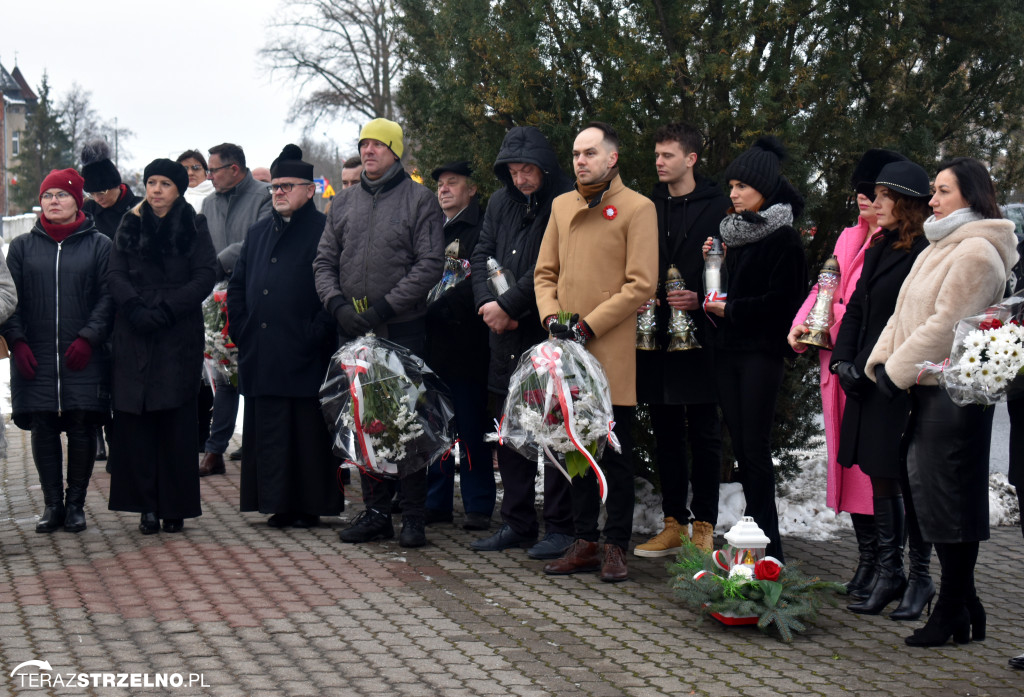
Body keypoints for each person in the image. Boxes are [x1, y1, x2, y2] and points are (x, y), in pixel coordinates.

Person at [866, 157, 1017, 646]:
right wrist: (881, 364)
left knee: (948, 506)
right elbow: (904, 315)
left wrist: (896, 370)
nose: (932, 200)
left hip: (955, 399)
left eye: (943, 191)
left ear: (970, 197)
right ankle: (964, 604)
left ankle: (954, 604)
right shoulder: (941, 246)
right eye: (934, 191)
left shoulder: (975, 252)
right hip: (925, 392)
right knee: (930, 501)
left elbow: (947, 326)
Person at [535, 122, 658, 582]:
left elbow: (641, 282)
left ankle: (616, 545)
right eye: (575, 153)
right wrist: (552, 318)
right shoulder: (561, 205)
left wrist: (589, 325)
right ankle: (585, 540)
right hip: (565, 349)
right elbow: (544, 273)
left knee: (614, 452)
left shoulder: (638, 208)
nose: (580, 160)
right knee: (575, 449)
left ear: (613, 158)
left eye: (590, 153)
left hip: (609, 348)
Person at [314, 117, 444, 548]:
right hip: (353, 331)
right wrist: (337, 306)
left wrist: (386, 307)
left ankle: (413, 517)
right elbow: (324, 262)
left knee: (406, 422)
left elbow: (429, 263)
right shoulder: (344, 203)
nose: (368, 151)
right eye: (364, 144)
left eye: (377, 145)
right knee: (363, 419)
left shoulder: (419, 199)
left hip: (401, 329)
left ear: (394, 151)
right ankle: (374, 513)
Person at [787, 149, 904, 597]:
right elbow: (825, 287)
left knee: (871, 470)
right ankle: (867, 558)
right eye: (858, 191)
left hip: (868, 367)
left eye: (872, 192)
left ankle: (884, 564)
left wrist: (829, 323)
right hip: (835, 365)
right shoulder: (848, 237)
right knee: (848, 460)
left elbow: (875, 311)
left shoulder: (896, 242)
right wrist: (801, 324)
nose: (862, 199)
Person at [828, 159, 933, 618]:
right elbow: (855, 309)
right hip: (864, 376)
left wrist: (881, 367)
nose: (877, 204)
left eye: (886, 197)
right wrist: (843, 360)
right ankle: (890, 571)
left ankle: (917, 575)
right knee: (877, 472)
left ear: (905, 204)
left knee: (900, 476)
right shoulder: (879, 246)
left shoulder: (922, 251)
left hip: (894, 378)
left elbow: (910, 321)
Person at [469, 126, 575, 560]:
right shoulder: (499, 202)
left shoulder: (563, 202)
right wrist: (486, 306)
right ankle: (516, 522)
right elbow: (480, 255)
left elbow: (553, 267)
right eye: (512, 171)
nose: (520, 179)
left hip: (542, 333)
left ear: (544, 167)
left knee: (553, 434)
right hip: (501, 335)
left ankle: (561, 527)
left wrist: (510, 306)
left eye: (526, 169)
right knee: (510, 434)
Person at [703, 136, 808, 563]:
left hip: (760, 355)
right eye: (730, 186)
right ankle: (752, 543)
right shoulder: (733, 235)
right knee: (742, 447)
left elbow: (783, 306)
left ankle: (768, 547)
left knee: (755, 450)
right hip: (728, 354)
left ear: (764, 188)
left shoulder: (784, 239)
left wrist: (732, 310)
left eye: (742, 186)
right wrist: (712, 272)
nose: (733, 194)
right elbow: (719, 297)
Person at [228, 144, 342, 529]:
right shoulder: (258, 232)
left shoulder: (324, 230)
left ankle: (307, 505)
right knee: (270, 432)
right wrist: (242, 329)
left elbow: (333, 287)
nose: (277, 192)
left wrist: (315, 334)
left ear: (309, 190)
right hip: (262, 350)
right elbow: (239, 285)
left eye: (286, 186)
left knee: (305, 434)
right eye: (274, 186)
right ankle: (274, 501)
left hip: (305, 350)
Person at [107, 159, 217, 534]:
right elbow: (115, 273)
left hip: (177, 333)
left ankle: (175, 506)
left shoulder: (193, 223)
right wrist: (135, 308)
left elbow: (205, 274)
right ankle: (146, 506)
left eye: (164, 183)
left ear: (178, 189)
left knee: (175, 423)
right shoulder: (130, 221)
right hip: (134, 330)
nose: (155, 189)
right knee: (138, 423)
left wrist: (169, 309)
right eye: (151, 182)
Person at [634, 122, 728, 558]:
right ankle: (673, 523)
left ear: (691, 159)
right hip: (655, 338)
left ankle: (704, 526)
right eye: (657, 154)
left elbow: (730, 268)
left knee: (705, 433)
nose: (659, 162)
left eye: (668, 155)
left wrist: (704, 297)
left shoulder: (719, 207)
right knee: (665, 431)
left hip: (703, 338)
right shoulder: (647, 207)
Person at [1, 168, 112, 534]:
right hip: (35, 355)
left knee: (82, 427)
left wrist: (88, 338)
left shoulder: (100, 246)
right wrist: (16, 342)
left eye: (61, 195)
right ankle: (52, 505)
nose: (53, 202)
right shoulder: (21, 247)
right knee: (43, 427)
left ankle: (76, 504)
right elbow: (9, 299)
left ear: (77, 201)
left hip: (82, 354)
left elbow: (108, 298)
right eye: (48, 195)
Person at [423, 160, 495, 530]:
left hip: (468, 343)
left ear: (472, 189)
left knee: (469, 428)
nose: (444, 189)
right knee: (435, 426)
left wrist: (440, 303)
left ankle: (478, 503)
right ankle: (435, 501)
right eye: (440, 184)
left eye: (453, 183)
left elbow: (481, 275)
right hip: (432, 344)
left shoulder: (480, 227)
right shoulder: (431, 227)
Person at [198, 143, 272, 477]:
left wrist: (218, 262)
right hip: (215, 300)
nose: (208, 176)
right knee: (221, 375)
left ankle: (258, 445)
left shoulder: (263, 197)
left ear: (235, 169)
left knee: (252, 371)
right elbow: (201, 244)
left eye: (213, 170)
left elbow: (257, 240)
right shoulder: (208, 203)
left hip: (255, 295)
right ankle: (215, 449)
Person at [80, 140, 139, 463]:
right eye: (94, 194)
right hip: (96, 301)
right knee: (97, 376)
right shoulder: (88, 211)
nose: (100, 198)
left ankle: (120, 440)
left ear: (118, 185)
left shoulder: (137, 209)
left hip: (129, 299)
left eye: (105, 192)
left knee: (124, 378)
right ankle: (100, 433)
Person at [81, 140, 142, 238]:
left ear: (116, 185)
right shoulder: (86, 211)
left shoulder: (140, 208)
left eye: (101, 192)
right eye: (92, 194)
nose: (97, 199)